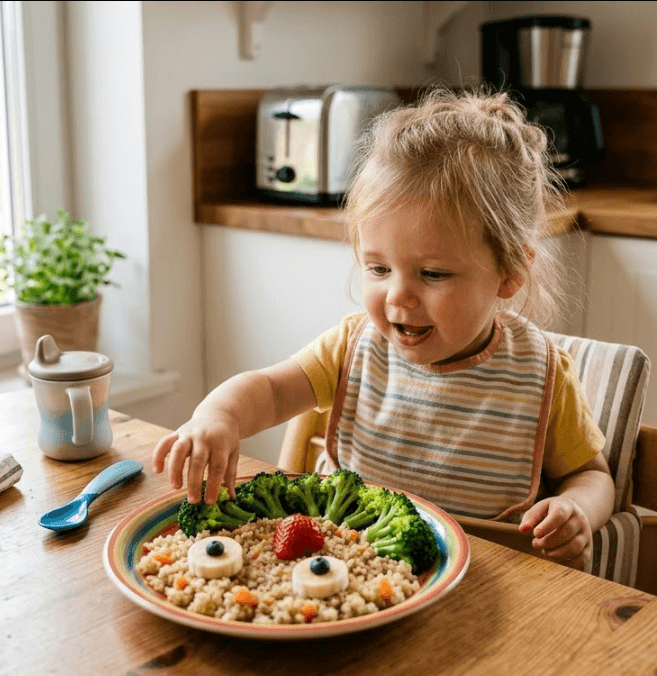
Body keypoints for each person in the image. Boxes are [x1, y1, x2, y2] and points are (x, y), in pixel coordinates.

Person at [152, 87, 614, 570]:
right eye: (377, 269)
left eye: (433, 274)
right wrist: (219, 417)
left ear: (510, 271)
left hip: (485, 590)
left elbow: (592, 474)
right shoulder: (352, 347)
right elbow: (268, 391)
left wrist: (577, 507)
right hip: (349, 583)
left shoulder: (542, 374)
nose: (398, 297)